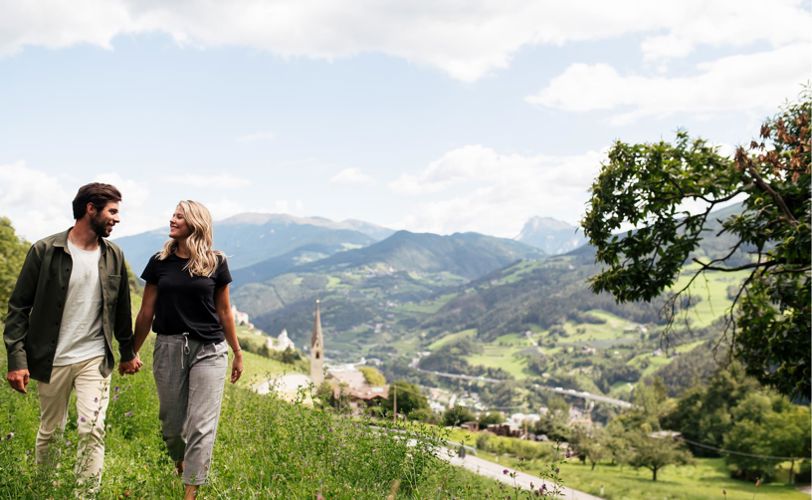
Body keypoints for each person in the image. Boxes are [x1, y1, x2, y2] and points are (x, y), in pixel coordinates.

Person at [3, 182, 143, 489]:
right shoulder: (44, 250)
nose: (117, 219)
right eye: (112, 211)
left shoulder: (114, 256)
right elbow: (17, 309)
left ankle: (85, 494)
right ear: (90, 209)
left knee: (91, 428)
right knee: (51, 430)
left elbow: (121, 310)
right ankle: (44, 490)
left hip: (94, 356)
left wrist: (128, 352)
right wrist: (17, 359)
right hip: (51, 356)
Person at [133, 200, 242, 499]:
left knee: (201, 425)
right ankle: (183, 461)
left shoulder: (216, 262)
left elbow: (225, 312)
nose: (172, 219)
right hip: (169, 346)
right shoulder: (159, 262)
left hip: (210, 350)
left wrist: (238, 352)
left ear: (195, 222)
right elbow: (145, 313)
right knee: (171, 424)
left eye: (179, 216)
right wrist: (132, 351)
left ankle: (190, 491)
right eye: (173, 214)